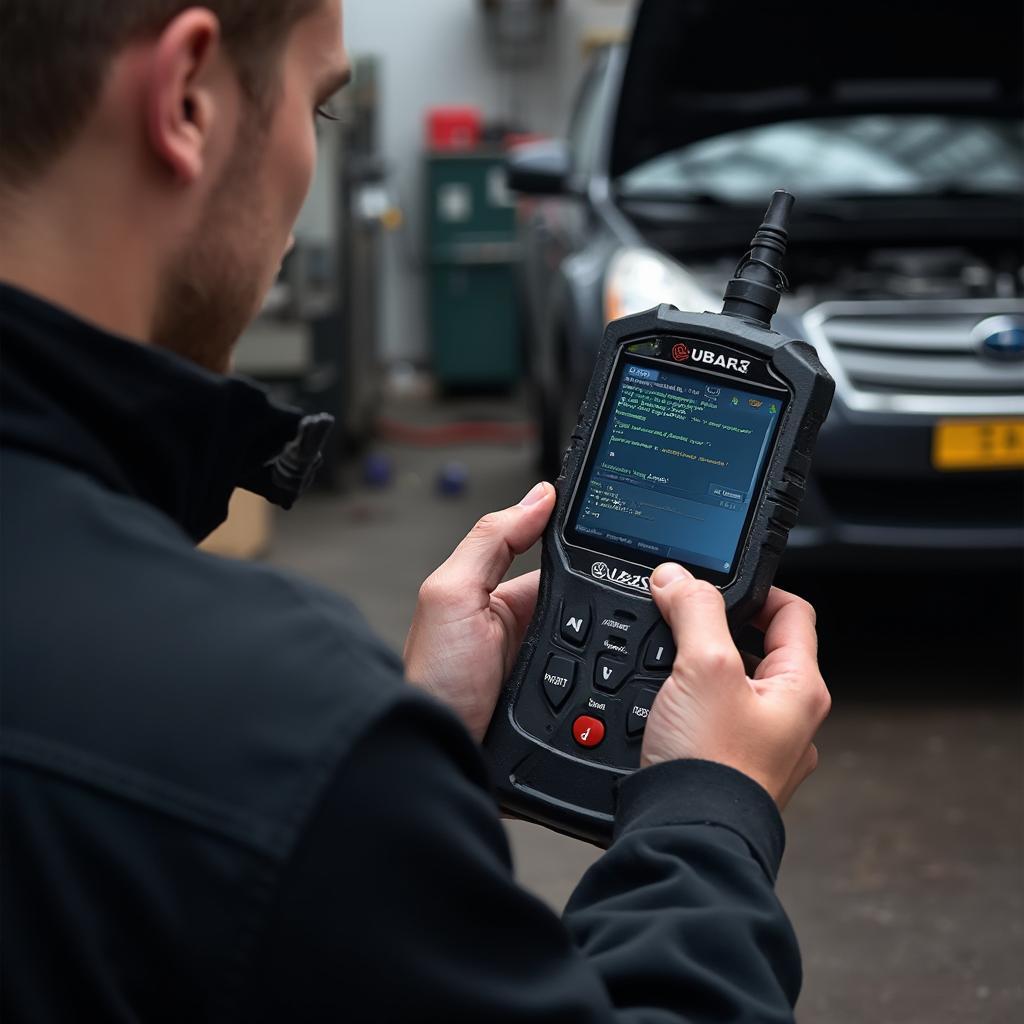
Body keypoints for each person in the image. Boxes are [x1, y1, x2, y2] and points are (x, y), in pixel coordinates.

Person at [0, 1, 831, 1021]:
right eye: (321, 108)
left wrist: (417, 760)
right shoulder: (270, 735)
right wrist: (710, 818)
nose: (305, 173)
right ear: (186, 100)